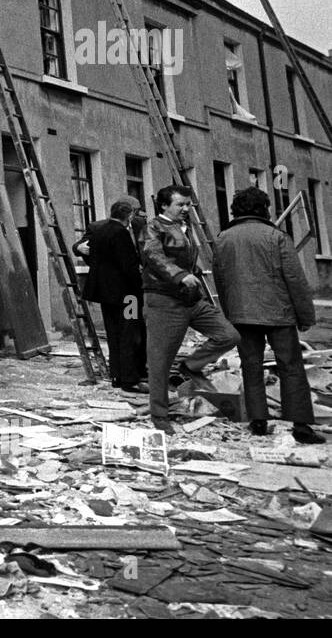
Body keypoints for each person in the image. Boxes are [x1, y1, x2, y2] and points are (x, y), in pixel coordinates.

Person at [214, 187, 323, 445]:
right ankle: (301, 426)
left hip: (241, 314)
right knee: (291, 367)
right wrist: (305, 315)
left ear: (236, 210)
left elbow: (220, 280)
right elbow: (295, 280)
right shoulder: (277, 237)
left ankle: (258, 421)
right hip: (279, 314)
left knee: (251, 367)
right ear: (263, 209)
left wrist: (230, 313)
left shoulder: (223, 238)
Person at [141, 184, 240, 433]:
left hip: (191, 299)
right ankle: (159, 415)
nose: (186, 209)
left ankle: (191, 365)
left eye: (188, 205)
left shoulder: (185, 227)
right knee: (160, 360)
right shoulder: (152, 227)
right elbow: (152, 255)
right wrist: (179, 275)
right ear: (164, 205)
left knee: (228, 335)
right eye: (180, 205)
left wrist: (192, 277)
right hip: (164, 300)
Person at [73, 197, 147, 393]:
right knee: (129, 334)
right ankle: (130, 379)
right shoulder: (121, 233)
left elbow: (92, 256)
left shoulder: (100, 232)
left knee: (113, 334)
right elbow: (129, 266)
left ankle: (116, 376)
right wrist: (140, 287)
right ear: (129, 215)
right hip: (128, 295)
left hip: (106, 294)